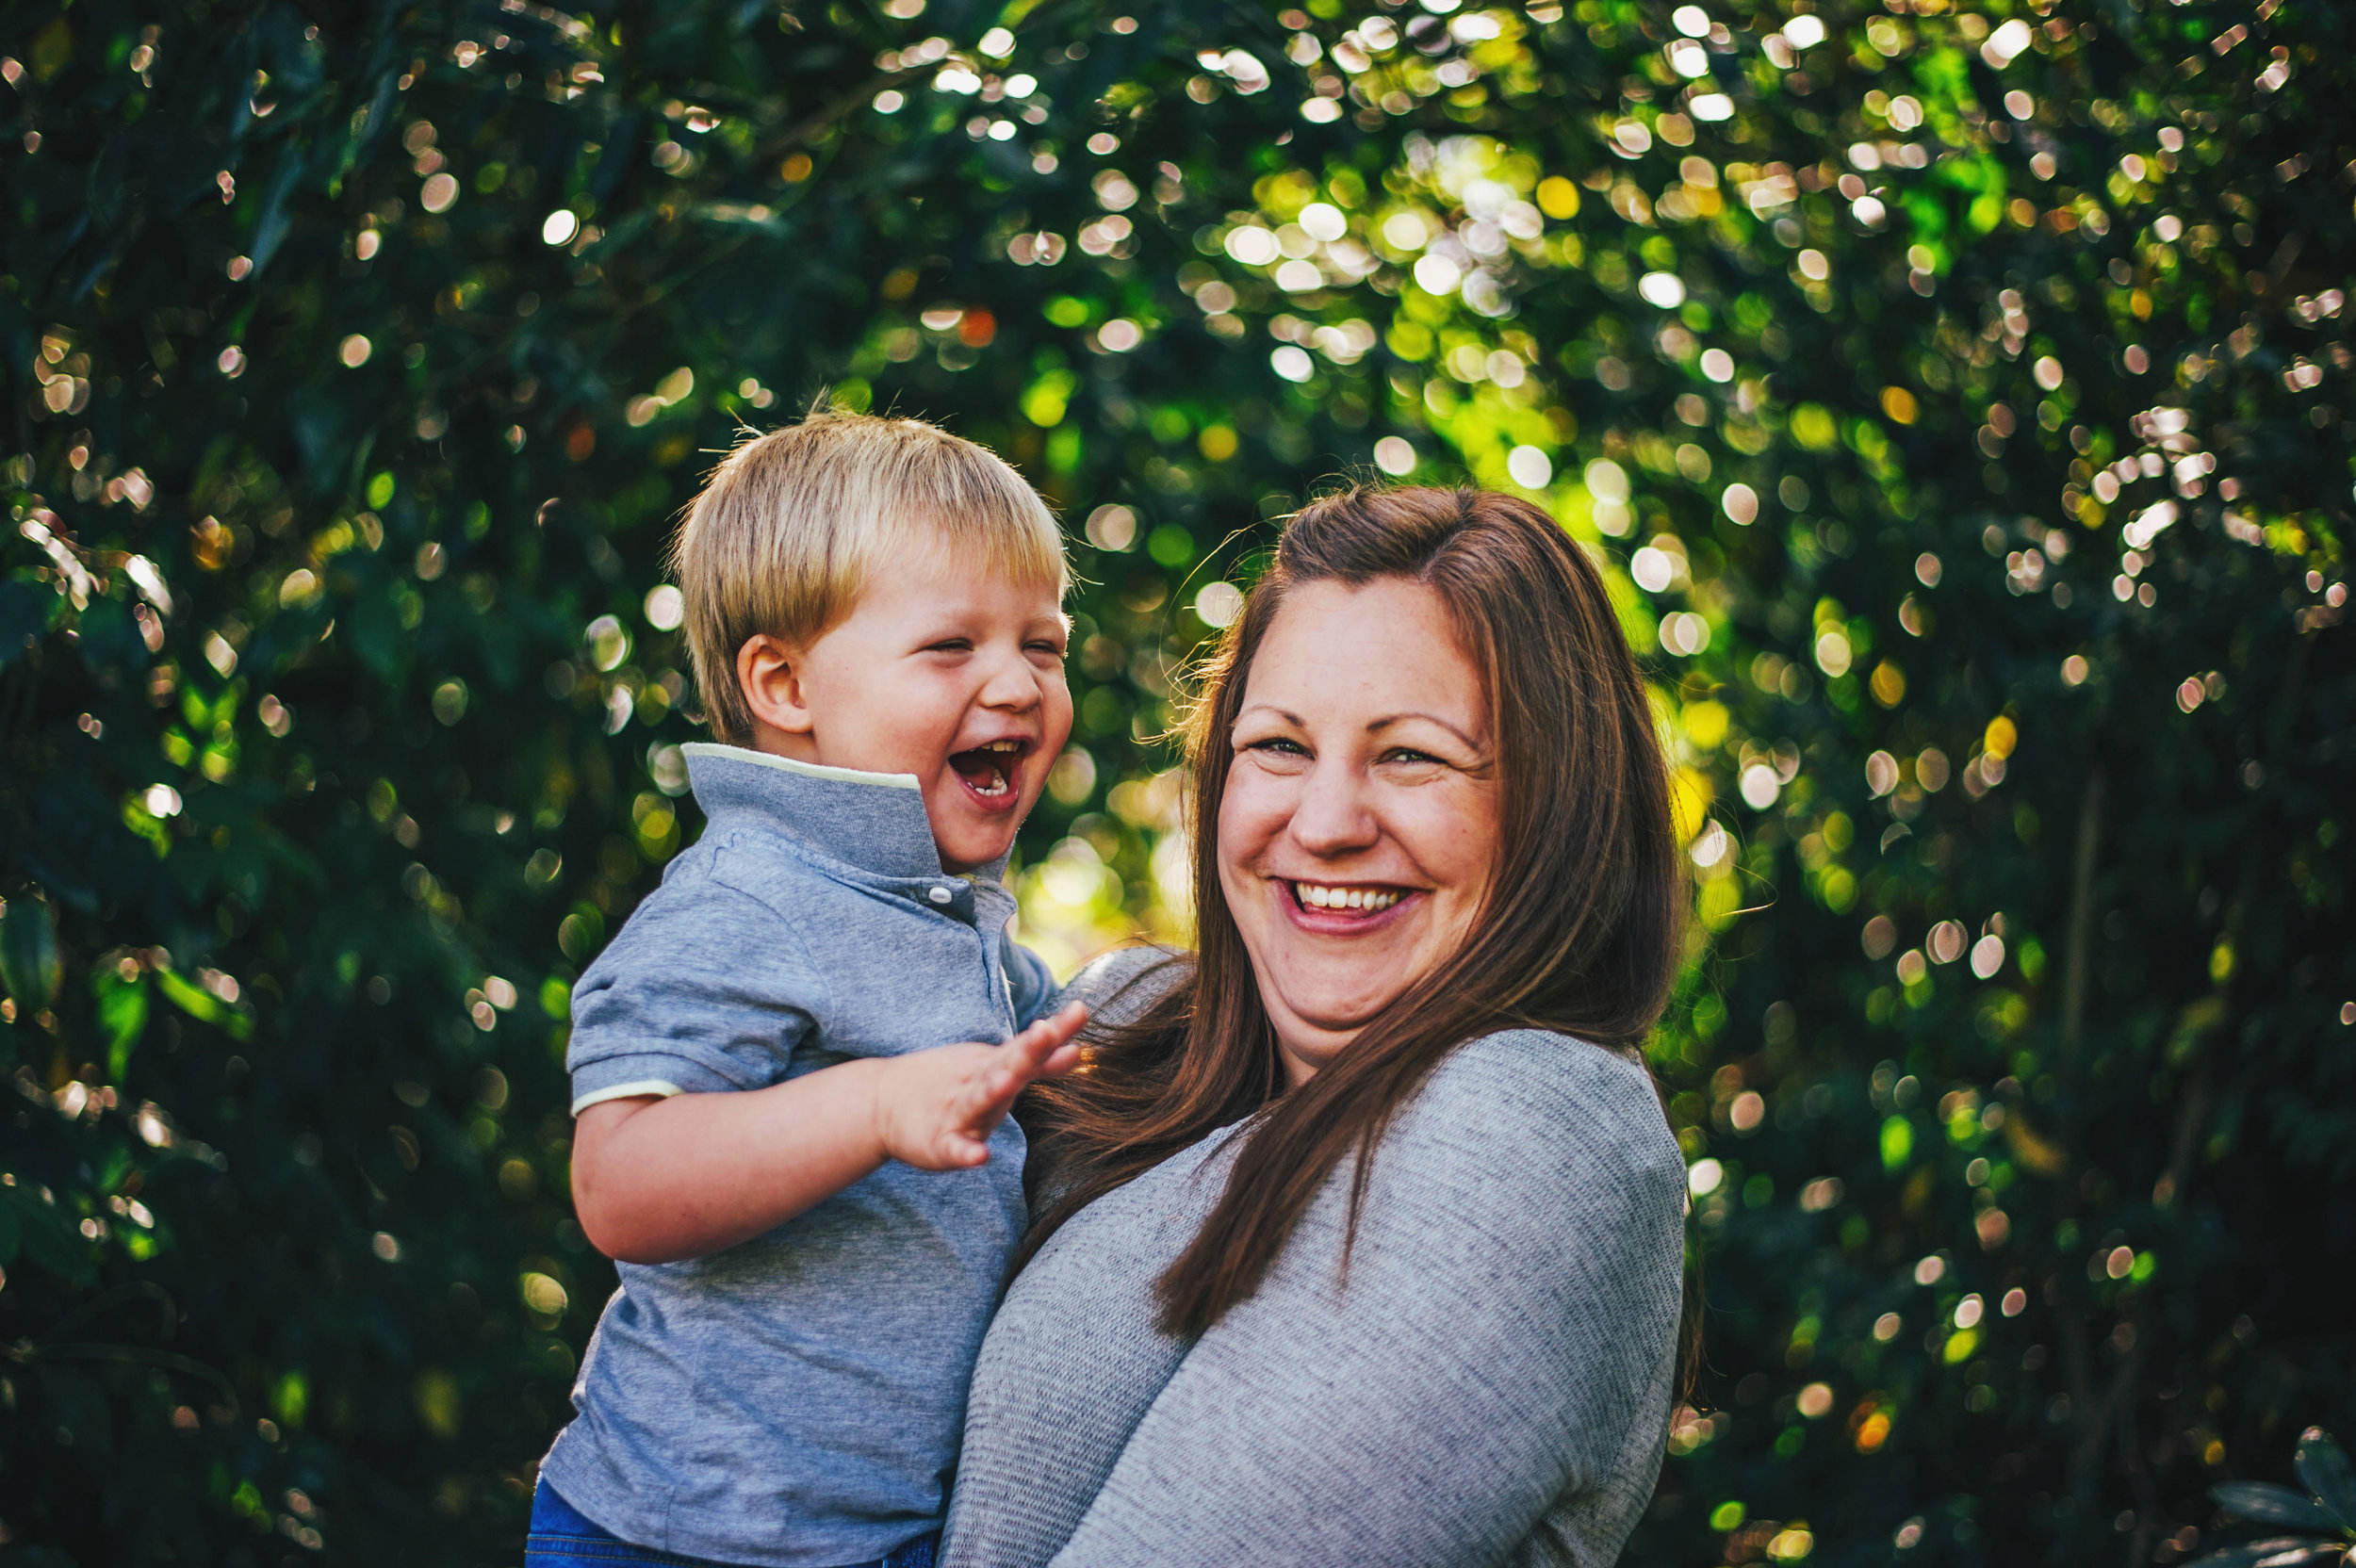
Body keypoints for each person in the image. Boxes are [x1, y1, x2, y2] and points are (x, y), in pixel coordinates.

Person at [942, 485, 1691, 1568]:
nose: (1327, 823)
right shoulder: (1123, 1016)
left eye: (1411, 756)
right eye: (1281, 747)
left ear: (1554, 804)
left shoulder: (1540, 1127)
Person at [530, 410, 1088, 1568]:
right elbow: (621, 1181)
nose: (1019, 683)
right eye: (952, 646)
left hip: (870, 1538)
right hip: (681, 1532)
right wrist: (875, 1108)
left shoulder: (944, 910)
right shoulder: (748, 898)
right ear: (783, 682)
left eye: (1044, 645)